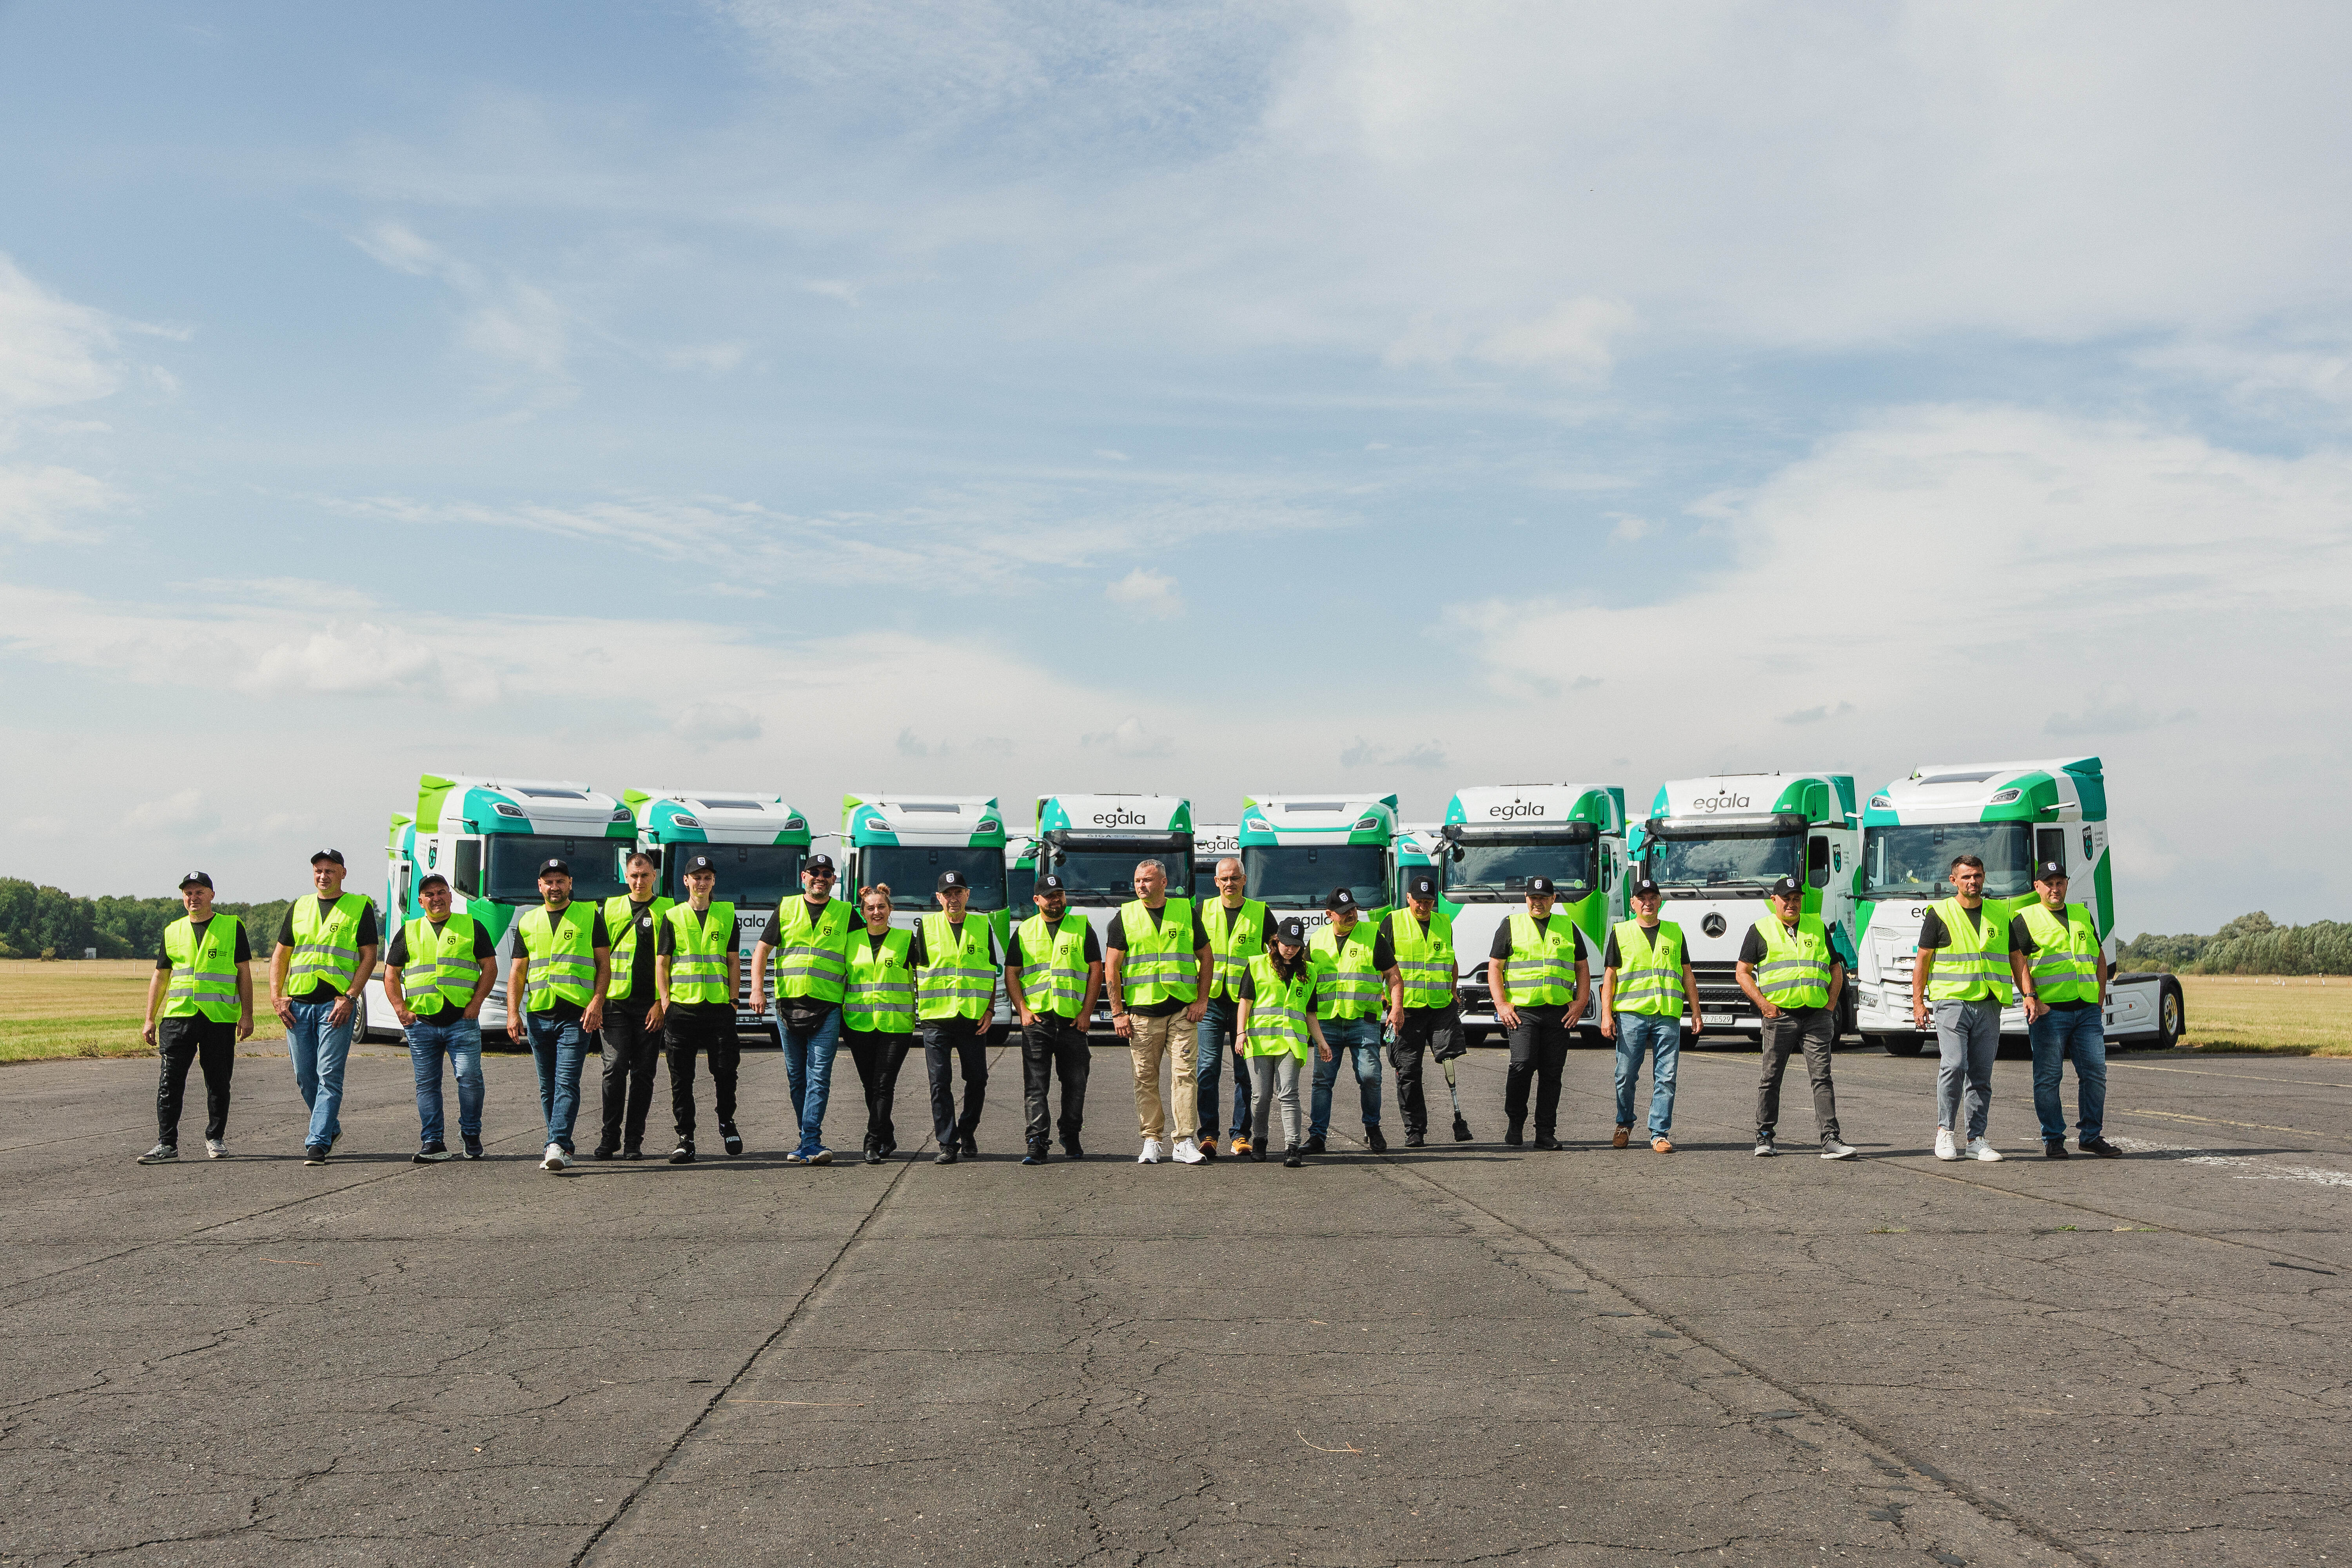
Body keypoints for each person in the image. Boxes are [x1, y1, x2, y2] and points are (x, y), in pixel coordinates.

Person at [1911, 852, 2022, 1162]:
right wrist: (1919, 1002)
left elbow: (2016, 958)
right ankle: (1945, 1132)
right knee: (1955, 1064)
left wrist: (2029, 994)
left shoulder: (2001, 913)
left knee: (1982, 1074)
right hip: (1952, 1002)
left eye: (1977, 876)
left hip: (1989, 1003)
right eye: (1966, 877)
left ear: (1984, 877)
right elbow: (1923, 960)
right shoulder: (1940, 912)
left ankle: (1976, 1139)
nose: (1973, 882)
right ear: (1954, 881)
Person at [1737, 875, 1858, 1160]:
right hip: (1780, 1017)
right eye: (1786, 899)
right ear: (1774, 901)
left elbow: (1835, 968)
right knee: (1771, 1077)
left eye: (1796, 899)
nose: (1792, 904)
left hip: (1816, 1017)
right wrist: (1764, 1005)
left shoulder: (1816, 926)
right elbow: (1742, 971)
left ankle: (1830, 1139)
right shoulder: (1760, 930)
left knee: (1822, 1078)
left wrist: (1829, 1007)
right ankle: (1765, 1136)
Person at [271, 849, 379, 1166]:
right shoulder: (299, 907)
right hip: (298, 1006)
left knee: (329, 1074)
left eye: (330, 871)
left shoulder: (360, 907)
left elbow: (368, 956)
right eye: (318, 870)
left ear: (343, 873)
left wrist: (351, 996)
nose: (323, 876)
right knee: (305, 1076)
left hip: (336, 1007)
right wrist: (276, 997)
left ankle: (317, 1142)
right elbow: (281, 955)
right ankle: (331, 1128)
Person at [138, 872, 253, 1164]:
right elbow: (161, 976)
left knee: (218, 1082)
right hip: (179, 1018)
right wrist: (150, 1018)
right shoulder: (173, 931)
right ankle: (167, 1144)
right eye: (188, 893)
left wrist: (247, 1015)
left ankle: (215, 1138)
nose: (193, 898)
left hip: (218, 1018)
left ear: (212, 895)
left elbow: (244, 972)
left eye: (199, 892)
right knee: (170, 1082)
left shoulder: (232, 926)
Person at [383, 871, 497, 1163]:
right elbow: (391, 974)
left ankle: (471, 1135)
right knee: (427, 1084)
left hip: (462, 1020)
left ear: (450, 895)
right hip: (421, 1024)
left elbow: (490, 968)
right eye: (430, 894)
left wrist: (477, 1003)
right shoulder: (408, 931)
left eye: (441, 892)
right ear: (420, 901)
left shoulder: (472, 926)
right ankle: (433, 1142)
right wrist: (400, 1009)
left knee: (469, 1078)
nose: (436, 898)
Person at [1104, 858, 1212, 1165]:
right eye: (1138, 881)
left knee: (1185, 1075)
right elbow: (1111, 967)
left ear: (1164, 882)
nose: (1141, 886)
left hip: (1181, 1011)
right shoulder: (1124, 917)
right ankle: (1152, 1139)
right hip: (1141, 1015)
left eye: (1148, 880)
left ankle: (1184, 1141)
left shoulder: (1185, 912)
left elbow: (1206, 956)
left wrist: (1202, 1000)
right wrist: (1118, 1012)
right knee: (1145, 1078)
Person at [508, 858, 613, 1172]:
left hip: (576, 1015)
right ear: (540, 886)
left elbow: (604, 965)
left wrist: (597, 1002)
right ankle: (562, 1144)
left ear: (571, 884)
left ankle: (555, 1145)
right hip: (539, 1014)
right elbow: (517, 972)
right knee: (548, 1086)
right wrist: (514, 1013)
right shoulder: (527, 921)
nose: (555, 887)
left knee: (567, 1081)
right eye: (549, 882)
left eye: (560, 881)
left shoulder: (589, 915)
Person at [753, 854, 856, 1165]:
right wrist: (758, 989)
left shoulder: (845, 912)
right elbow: (762, 950)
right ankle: (806, 1138)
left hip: (827, 1007)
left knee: (819, 1076)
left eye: (827, 873)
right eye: (815, 872)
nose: (820, 877)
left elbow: (871, 942)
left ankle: (811, 1140)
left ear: (834, 880)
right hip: (788, 1006)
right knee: (797, 1077)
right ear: (804, 877)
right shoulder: (786, 908)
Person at [2016, 859, 2122, 1160]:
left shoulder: (2081, 914)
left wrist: (2099, 998)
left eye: (2060, 882)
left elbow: (2099, 957)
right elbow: (2019, 962)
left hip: (2086, 1011)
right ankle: (2053, 1138)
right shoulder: (2025, 918)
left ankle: (2091, 1136)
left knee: (2096, 1074)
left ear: (2066, 885)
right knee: (2049, 1077)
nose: (2055, 888)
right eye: (2049, 883)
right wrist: (2031, 996)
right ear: (2037, 887)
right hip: (2050, 1014)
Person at [1005, 873, 1103, 1165]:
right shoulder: (1024, 930)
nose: (1056, 900)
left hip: (1073, 1022)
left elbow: (1095, 970)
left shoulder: (1081, 927)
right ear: (1037, 901)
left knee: (1076, 1083)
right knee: (1036, 1087)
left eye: (1059, 894)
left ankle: (1070, 1134)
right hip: (1038, 1023)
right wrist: (1022, 1009)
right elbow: (1013, 972)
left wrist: (1087, 1013)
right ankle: (1036, 1142)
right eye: (1049, 896)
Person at [1487, 875, 1590, 1150]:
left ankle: (1545, 1132)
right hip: (1523, 1012)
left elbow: (1582, 967)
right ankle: (1515, 1121)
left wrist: (1580, 1003)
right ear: (1526, 899)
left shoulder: (1567, 926)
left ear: (1554, 899)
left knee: (1552, 1073)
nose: (1538, 903)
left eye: (1544, 898)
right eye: (1534, 898)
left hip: (1559, 1013)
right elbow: (1495, 967)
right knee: (1522, 1064)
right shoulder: (1511, 925)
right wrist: (1501, 1004)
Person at [1599, 877, 1700, 1152]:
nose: (1648, 902)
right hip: (1632, 1014)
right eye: (1642, 898)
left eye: (1653, 897)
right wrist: (1606, 1016)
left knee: (1666, 1076)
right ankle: (1624, 1123)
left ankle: (1659, 1134)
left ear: (1660, 901)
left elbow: (1687, 974)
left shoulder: (1674, 932)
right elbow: (1610, 977)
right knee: (1625, 1074)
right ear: (1633, 904)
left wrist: (1696, 1011)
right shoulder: (1620, 932)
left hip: (1667, 1014)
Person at [656, 853, 740, 1165]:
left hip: (719, 1007)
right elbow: (662, 961)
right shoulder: (674, 916)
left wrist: (734, 1000)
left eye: (707, 877)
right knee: (681, 1077)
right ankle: (686, 1138)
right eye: (696, 877)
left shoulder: (727, 913)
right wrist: (665, 1001)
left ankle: (726, 1121)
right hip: (682, 1009)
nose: (702, 883)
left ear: (713, 881)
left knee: (725, 1071)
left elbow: (733, 960)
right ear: (686, 881)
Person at [913, 869, 1000, 1164]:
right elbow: (914, 972)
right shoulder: (926, 927)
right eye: (947, 894)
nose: (953, 898)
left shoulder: (981, 924)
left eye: (958, 892)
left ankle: (968, 1130)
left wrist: (990, 1009)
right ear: (939, 897)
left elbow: (991, 970)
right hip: (937, 1019)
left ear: (968, 894)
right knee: (940, 1082)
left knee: (978, 1079)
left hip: (972, 1018)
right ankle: (947, 1143)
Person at [1235, 916, 1336, 1167]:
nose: (1290, 949)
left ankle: (1293, 1147)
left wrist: (1321, 1042)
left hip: (1291, 1041)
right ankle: (1260, 1141)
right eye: (1286, 944)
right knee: (1260, 1096)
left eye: (1296, 945)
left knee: (1289, 1094)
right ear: (1276, 941)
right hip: (1258, 1041)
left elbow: (1310, 1012)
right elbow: (1245, 1003)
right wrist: (1240, 1033)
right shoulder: (1257, 965)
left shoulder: (1309, 972)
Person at [592, 851, 672, 1161]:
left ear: (655, 877)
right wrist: (596, 1001)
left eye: (645, 876)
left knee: (643, 1074)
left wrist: (660, 1004)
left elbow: (673, 963)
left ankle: (633, 1141)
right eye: (634, 876)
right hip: (615, 1004)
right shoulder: (609, 908)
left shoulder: (670, 910)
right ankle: (609, 1137)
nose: (639, 882)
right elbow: (597, 960)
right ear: (626, 877)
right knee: (614, 1068)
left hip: (650, 1007)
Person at [1379, 872, 1457, 1148]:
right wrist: (1388, 1005)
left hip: (1438, 1008)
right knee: (1409, 1070)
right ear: (1409, 899)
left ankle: (1453, 1122)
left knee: (1449, 1058)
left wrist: (1454, 991)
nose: (1424, 907)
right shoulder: (1393, 921)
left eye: (1429, 901)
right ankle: (1415, 1130)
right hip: (1406, 1011)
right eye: (1419, 901)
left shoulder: (1443, 923)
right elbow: (1382, 965)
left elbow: (1451, 959)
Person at [1194, 857, 1267, 1156]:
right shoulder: (1202, 910)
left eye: (1235, 878)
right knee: (1207, 1069)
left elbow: (1276, 955)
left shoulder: (1261, 913)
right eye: (1224, 879)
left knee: (1245, 1073)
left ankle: (1240, 1135)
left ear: (1245, 880)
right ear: (1216, 882)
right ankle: (1209, 1134)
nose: (1229, 883)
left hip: (1245, 1005)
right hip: (1210, 1002)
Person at [1305, 888, 1385, 1154]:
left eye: (1353, 909)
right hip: (1327, 1023)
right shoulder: (1316, 941)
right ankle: (1317, 1136)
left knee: (1371, 1076)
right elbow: (1303, 981)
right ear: (1329, 915)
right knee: (1322, 1080)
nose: (1351, 914)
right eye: (1343, 912)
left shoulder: (1373, 935)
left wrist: (1396, 1009)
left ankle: (1372, 1128)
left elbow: (1394, 976)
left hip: (1363, 1019)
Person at [842, 885, 917, 1163]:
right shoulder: (850, 941)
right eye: (871, 908)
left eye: (881, 907)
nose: (877, 912)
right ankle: (887, 1134)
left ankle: (872, 1140)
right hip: (859, 1025)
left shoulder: (907, 940)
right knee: (870, 1087)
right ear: (862, 912)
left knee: (884, 1085)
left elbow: (928, 976)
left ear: (890, 910)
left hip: (896, 1026)